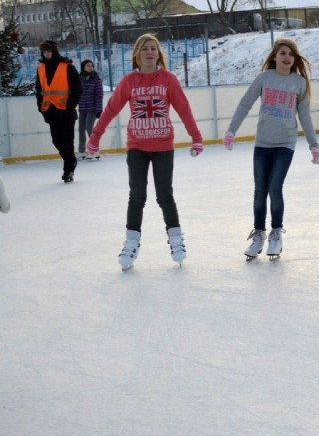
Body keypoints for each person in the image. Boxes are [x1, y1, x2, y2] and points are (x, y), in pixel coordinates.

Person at [86, 33, 204, 271]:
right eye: (145, 49)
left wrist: (196, 137)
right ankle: (131, 243)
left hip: (163, 146)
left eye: (153, 49)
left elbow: (183, 107)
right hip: (137, 147)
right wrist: (96, 136)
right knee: (137, 196)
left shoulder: (169, 80)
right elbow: (110, 109)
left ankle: (176, 238)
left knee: (164, 195)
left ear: (158, 54)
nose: (149, 53)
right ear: (137, 55)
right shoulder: (129, 81)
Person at [223, 37, 319, 261]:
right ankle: (258, 235)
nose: (287, 57)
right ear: (275, 57)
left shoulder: (299, 83)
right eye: (283, 53)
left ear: (294, 59)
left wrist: (313, 145)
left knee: (274, 187)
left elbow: (304, 115)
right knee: (260, 190)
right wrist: (231, 131)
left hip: (285, 144)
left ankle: (276, 233)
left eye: (291, 54)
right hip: (263, 143)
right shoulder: (264, 78)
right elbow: (245, 103)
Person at [34, 40, 81, 182]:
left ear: (54, 51)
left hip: (66, 112)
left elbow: (78, 89)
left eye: (48, 51)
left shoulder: (67, 67)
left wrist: (70, 105)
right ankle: (71, 160)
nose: (46, 54)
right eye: (44, 51)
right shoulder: (40, 68)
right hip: (50, 111)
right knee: (56, 141)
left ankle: (68, 171)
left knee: (67, 142)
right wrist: (40, 106)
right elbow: (39, 89)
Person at [78, 59, 104, 160]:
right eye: (88, 66)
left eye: (91, 66)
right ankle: (81, 151)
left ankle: (94, 150)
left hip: (92, 108)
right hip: (82, 108)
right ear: (83, 67)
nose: (90, 67)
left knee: (89, 128)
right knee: (81, 129)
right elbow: (77, 93)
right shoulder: (80, 79)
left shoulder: (96, 79)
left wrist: (99, 109)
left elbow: (99, 95)